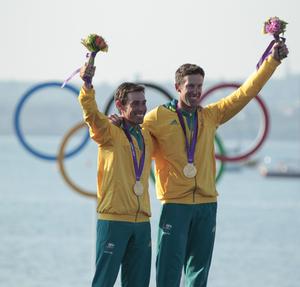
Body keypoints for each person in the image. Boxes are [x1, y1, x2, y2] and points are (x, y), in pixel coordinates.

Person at [141, 41, 289, 287]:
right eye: (190, 86)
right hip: (175, 204)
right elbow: (134, 139)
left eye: (199, 86)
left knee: (199, 272)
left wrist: (272, 62)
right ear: (177, 87)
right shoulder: (157, 117)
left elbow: (245, 93)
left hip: (207, 205)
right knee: (168, 269)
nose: (196, 91)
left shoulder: (210, 116)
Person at [78, 63, 154, 287]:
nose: (141, 108)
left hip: (142, 221)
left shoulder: (147, 135)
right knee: (103, 282)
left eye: (144, 103)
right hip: (113, 220)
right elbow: (91, 114)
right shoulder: (109, 132)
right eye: (135, 103)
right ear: (120, 105)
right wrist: (87, 84)